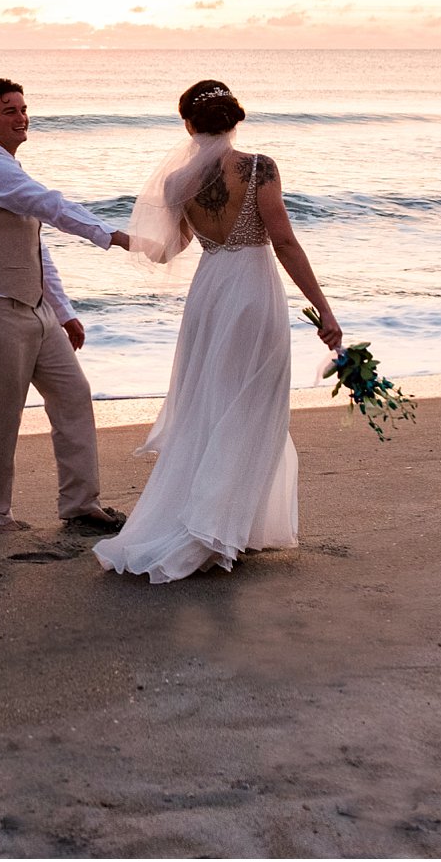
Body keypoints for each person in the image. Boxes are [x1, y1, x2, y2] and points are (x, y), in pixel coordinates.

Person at [93, 79, 342, 583]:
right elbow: (285, 242)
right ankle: (213, 527)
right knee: (252, 402)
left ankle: (220, 524)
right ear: (236, 118)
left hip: (209, 293)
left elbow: (168, 250)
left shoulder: (176, 183)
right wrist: (325, 311)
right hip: (252, 291)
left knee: (212, 403)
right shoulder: (257, 168)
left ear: (188, 124)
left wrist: (119, 239)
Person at [0, 78, 133, 535]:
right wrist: (111, 235)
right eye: (9, 110)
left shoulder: (11, 173)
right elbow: (51, 204)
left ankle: (80, 504)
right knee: (2, 416)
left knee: (73, 395)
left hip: (37, 313)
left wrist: (64, 311)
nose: (21, 117)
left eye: (23, 108)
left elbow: (37, 249)